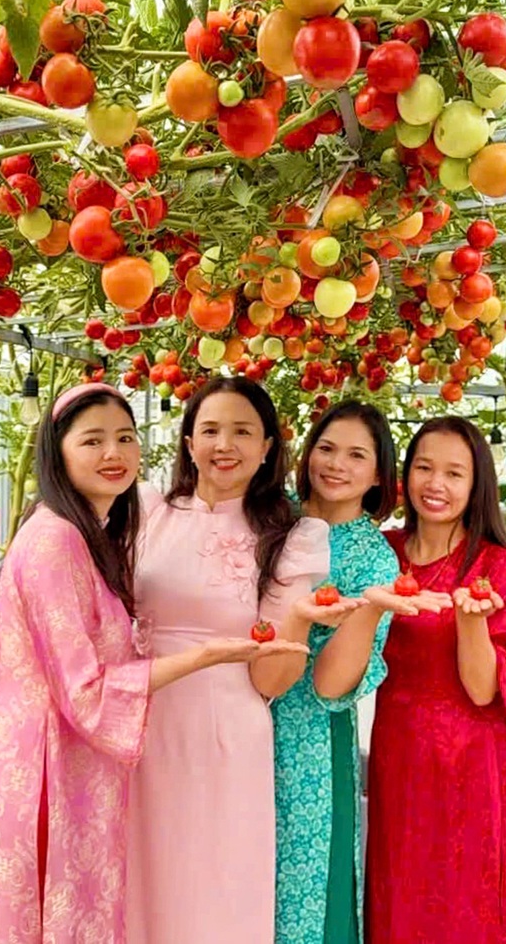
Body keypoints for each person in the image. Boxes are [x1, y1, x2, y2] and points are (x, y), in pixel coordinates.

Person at [0, 382, 282, 944]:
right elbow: (87, 692)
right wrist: (203, 655)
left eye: (125, 438)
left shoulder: (94, 536)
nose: (114, 454)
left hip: (72, 773)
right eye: (93, 440)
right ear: (57, 453)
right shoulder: (54, 542)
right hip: (42, 775)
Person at [126, 376, 338, 944]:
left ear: (268, 446)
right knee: (134, 878)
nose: (225, 444)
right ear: (188, 441)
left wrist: (296, 623)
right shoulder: (143, 510)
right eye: (211, 430)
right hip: (137, 720)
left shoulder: (289, 536)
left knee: (214, 886)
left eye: (242, 431)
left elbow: (272, 676)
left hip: (224, 734)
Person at [315, 417, 506, 944]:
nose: (436, 485)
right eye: (425, 468)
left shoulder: (496, 567)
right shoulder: (381, 553)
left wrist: (470, 621)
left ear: (475, 484)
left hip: (469, 767)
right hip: (397, 756)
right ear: (403, 474)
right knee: (398, 899)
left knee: (464, 905)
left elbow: (485, 692)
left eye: (454, 473)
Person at [274, 401, 450, 944]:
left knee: (305, 893)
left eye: (356, 455)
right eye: (326, 448)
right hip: (229, 722)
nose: (335, 465)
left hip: (310, 744)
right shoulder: (269, 517)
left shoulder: (375, 560)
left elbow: (331, 686)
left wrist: (369, 605)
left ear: (378, 475)